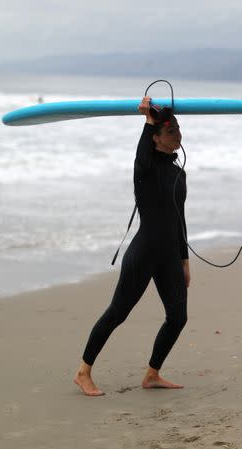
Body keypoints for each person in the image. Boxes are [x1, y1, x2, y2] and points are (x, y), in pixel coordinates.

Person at [74, 96, 190, 396]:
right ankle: (83, 372)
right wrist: (147, 121)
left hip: (168, 256)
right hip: (144, 253)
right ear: (156, 139)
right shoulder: (145, 169)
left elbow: (180, 218)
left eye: (178, 128)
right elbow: (141, 155)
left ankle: (152, 374)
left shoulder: (179, 173)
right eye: (170, 131)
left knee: (178, 317)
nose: (177, 134)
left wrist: (184, 259)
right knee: (117, 313)